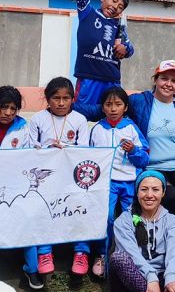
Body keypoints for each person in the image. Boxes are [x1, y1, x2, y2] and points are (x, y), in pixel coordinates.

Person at [76, 59, 175, 252]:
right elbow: (106, 107)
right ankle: (161, 242)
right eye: (164, 78)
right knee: (169, 195)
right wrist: (68, 106)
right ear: (155, 79)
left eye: (174, 80)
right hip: (151, 166)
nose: (168, 84)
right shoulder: (140, 101)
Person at [29, 77, 90, 276]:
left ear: (73, 98)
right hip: (46, 178)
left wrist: (66, 149)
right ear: (48, 99)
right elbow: (31, 149)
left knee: (81, 208)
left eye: (66, 98)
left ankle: (81, 252)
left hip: (74, 177)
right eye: (56, 98)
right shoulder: (37, 119)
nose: (61, 103)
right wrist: (48, 149)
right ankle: (45, 252)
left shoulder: (80, 119)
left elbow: (85, 150)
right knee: (43, 208)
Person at [89, 87, 150, 276]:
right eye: (108, 104)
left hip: (130, 183)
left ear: (125, 107)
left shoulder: (131, 128)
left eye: (118, 104)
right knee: (105, 218)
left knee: (132, 219)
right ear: (102, 107)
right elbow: (90, 158)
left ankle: (131, 258)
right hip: (106, 184)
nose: (113, 109)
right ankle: (102, 256)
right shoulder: (97, 129)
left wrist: (133, 151)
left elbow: (144, 158)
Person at [109, 170, 175, 292]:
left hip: (165, 277)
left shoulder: (172, 221)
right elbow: (131, 253)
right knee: (118, 258)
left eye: (155, 190)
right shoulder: (124, 221)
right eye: (144, 189)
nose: (149, 195)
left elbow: (174, 250)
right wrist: (150, 277)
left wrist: (171, 276)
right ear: (137, 192)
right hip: (138, 276)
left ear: (163, 193)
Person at [69, 0, 134, 105]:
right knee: (81, 116)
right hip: (88, 79)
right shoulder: (87, 13)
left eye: (120, 7)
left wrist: (125, 49)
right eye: (114, 1)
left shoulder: (118, 27)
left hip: (112, 80)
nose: (115, 7)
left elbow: (130, 48)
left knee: (112, 118)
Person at [0, 86, 43, 290]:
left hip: (14, 189)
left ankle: (31, 269)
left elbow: (31, 156)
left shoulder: (22, 127)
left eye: (13, 108)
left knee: (27, 222)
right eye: (3, 107)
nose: (8, 113)